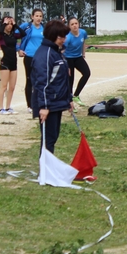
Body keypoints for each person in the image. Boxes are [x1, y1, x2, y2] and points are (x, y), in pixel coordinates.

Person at [31, 20, 73, 154]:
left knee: (53, 137)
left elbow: (63, 79)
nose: (64, 40)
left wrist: (69, 99)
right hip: (48, 103)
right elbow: (42, 82)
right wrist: (44, 106)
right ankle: (45, 172)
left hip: (57, 101)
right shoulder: (45, 54)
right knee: (48, 140)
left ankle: (49, 169)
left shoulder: (56, 52)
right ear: (53, 36)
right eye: (61, 37)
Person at [0, 16, 24, 115]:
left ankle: (8, 107)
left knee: (11, 87)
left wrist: (15, 24)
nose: (9, 26)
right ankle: (1, 108)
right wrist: (4, 23)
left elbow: (23, 34)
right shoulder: (1, 36)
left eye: (10, 24)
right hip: (5, 62)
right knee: (3, 86)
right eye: (7, 24)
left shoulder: (14, 36)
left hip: (13, 62)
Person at [18, 9, 45, 113]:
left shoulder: (44, 28)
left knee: (40, 80)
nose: (39, 18)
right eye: (37, 16)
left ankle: (39, 102)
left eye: (40, 16)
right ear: (32, 17)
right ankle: (30, 105)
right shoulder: (26, 27)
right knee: (29, 80)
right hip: (29, 56)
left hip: (40, 57)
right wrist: (19, 49)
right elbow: (14, 36)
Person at [64, 17, 90, 105]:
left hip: (78, 57)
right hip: (68, 58)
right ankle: (69, 102)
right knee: (70, 80)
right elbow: (62, 51)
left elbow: (83, 43)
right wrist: (65, 64)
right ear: (69, 26)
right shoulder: (68, 37)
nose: (74, 26)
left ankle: (76, 95)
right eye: (72, 24)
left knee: (87, 73)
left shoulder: (83, 32)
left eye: (76, 23)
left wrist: (83, 54)